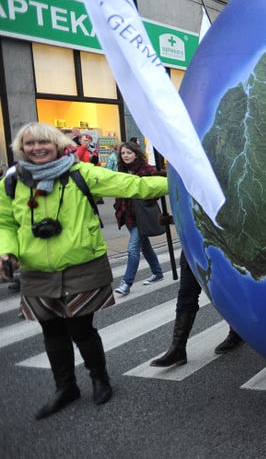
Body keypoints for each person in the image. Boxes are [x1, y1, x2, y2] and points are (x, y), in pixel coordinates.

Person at [0, 122, 168, 420]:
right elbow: (5, 223)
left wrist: (181, 181)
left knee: (80, 328)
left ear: (56, 144)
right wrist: (7, 251)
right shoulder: (12, 182)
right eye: (29, 144)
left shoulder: (80, 173)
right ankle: (65, 388)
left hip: (82, 265)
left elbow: (133, 186)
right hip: (36, 270)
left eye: (43, 142)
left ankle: (99, 380)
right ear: (20, 148)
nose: (36, 147)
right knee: (51, 331)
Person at [149, 251, 244, 367]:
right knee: (186, 294)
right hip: (193, 244)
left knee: (226, 292)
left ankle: (237, 332)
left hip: (219, 244)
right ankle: (178, 348)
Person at [112, 141, 164, 295]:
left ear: (136, 154)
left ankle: (126, 283)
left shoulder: (148, 170)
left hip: (141, 216)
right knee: (144, 245)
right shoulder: (121, 170)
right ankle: (158, 272)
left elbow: (158, 189)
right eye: (123, 153)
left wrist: (145, 199)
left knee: (132, 249)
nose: (126, 156)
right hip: (127, 215)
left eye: (129, 153)